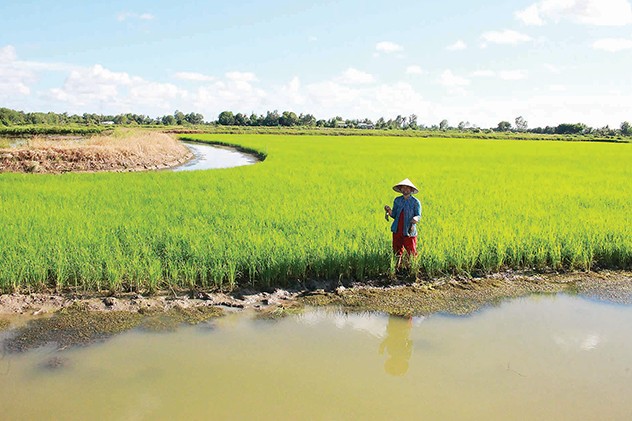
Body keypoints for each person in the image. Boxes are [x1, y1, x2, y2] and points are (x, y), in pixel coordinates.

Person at [384, 178, 421, 270]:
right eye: (403, 188)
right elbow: (395, 215)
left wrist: (415, 219)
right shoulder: (397, 200)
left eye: (407, 188)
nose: (405, 190)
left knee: (411, 250)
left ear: (411, 190)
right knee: (397, 249)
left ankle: (412, 269)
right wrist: (389, 211)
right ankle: (397, 268)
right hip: (397, 229)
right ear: (400, 189)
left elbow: (418, 215)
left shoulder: (415, 202)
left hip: (409, 230)